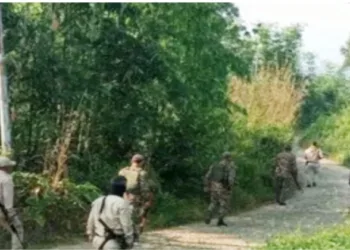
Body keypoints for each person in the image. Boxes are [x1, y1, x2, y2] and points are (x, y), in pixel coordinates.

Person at [86, 176, 134, 250]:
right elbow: (127, 226)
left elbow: (90, 221)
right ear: (124, 190)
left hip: (97, 241)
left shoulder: (98, 201)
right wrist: (129, 242)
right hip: (113, 243)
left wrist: (91, 236)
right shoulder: (123, 204)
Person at [118, 154, 151, 242]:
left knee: (122, 215)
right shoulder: (142, 173)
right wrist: (147, 200)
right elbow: (144, 188)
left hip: (122, 196)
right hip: (135, 198)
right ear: (141, 162)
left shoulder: (123, 171)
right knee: (134, 218)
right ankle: (133, 237)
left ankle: (121, 234)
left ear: (132, 161)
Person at [203, 152, 236, 226]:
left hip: (214, 186)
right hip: (224, 187)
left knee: (213, 202)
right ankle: (220, 220)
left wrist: (206, 186)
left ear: (222, 157)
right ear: (229, 158)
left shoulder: (215, 165)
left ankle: (209, 213)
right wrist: (230, 187)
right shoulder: (231, 166)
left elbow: (207, 176)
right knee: (224, 203)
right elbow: (231, 179)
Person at [0, 156, 24, 250]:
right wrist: (10, 213)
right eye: (10, 166)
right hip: (2, 210)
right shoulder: (6, 179)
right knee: (17, 229)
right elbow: (7, 198)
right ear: (5, 167)